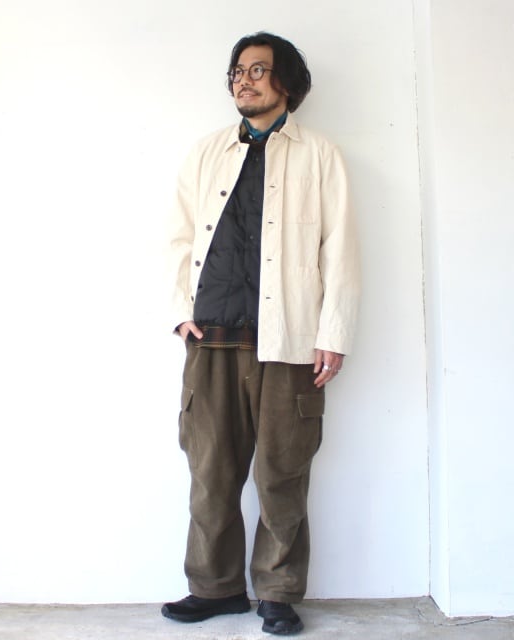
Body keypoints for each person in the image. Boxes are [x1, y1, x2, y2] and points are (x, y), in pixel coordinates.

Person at [162, 32, 360, 636]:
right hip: (211, 338)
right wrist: (179, 311)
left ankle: (277, 592)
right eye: (237, 71)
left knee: (282, 474)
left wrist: (333, 333)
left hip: (290, 339)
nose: (242, 80)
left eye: (257, 70)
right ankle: (215, 588)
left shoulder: (320, 155)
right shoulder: (206, 153)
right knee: (210, 473)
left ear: (287, 82)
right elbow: (179, 237)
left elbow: (340, 250)